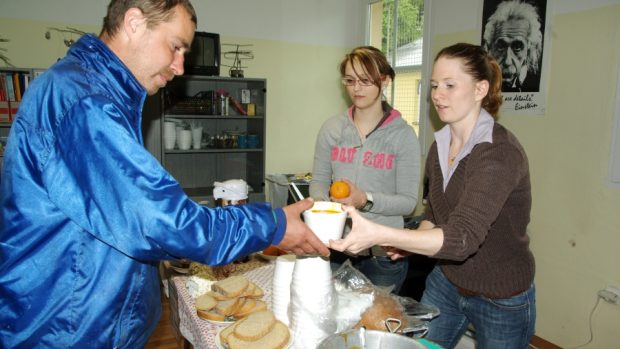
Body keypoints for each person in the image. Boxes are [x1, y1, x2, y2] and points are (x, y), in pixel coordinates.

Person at [0, 1, 328, 348]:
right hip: (64, 329)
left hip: (88, 320)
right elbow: (163, 223)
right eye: (175, 47)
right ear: (134, 23)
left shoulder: (96, 92)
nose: (179, 66)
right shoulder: (84, 103)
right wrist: (272, 225)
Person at [330, 42, 536, 349]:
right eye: (435, 85)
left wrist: (382, 234)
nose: (438, 95)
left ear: (480, 88)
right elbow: (435, 216)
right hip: (447, 281)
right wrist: (409, 244)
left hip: (500, 294)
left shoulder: (498, 154)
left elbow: (462, 237)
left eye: (450, 85)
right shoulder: (440, 145)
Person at [309, 46, 421, 294]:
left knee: (375, 323)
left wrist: (364, 200)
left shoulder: (403, 136)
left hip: (383, 254)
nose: (356, 88)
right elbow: (317, 182)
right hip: (336, 248)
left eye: (365, 80)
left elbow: (408, 202)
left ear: (385, 80)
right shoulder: (332, 129)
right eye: (350, 80)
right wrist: (328, 207)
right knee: (330, 318)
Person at [482, 0, 543, 92]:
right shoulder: (482, 86)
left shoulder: (536, 84)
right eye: (500, 47)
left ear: (529, 49)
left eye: (517, 47)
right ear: (489, 48)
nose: (507, 61)